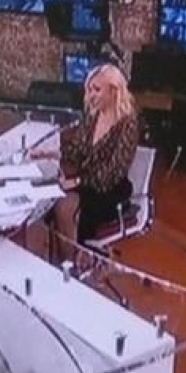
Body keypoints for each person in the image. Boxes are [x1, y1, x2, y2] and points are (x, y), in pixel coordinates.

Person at [45, 63, 139, 245]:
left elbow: (111, 174)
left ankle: (73, 258)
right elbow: (76, 150)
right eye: (89, 89)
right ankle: (60, 255)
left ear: (113, 91)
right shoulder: (93, 115)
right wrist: (49, 153)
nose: (91, 95)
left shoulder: (128, 124)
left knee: (64, 206)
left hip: (110, 190)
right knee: (49, 199)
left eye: (97, 90)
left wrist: (77, 182)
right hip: (85, 182)